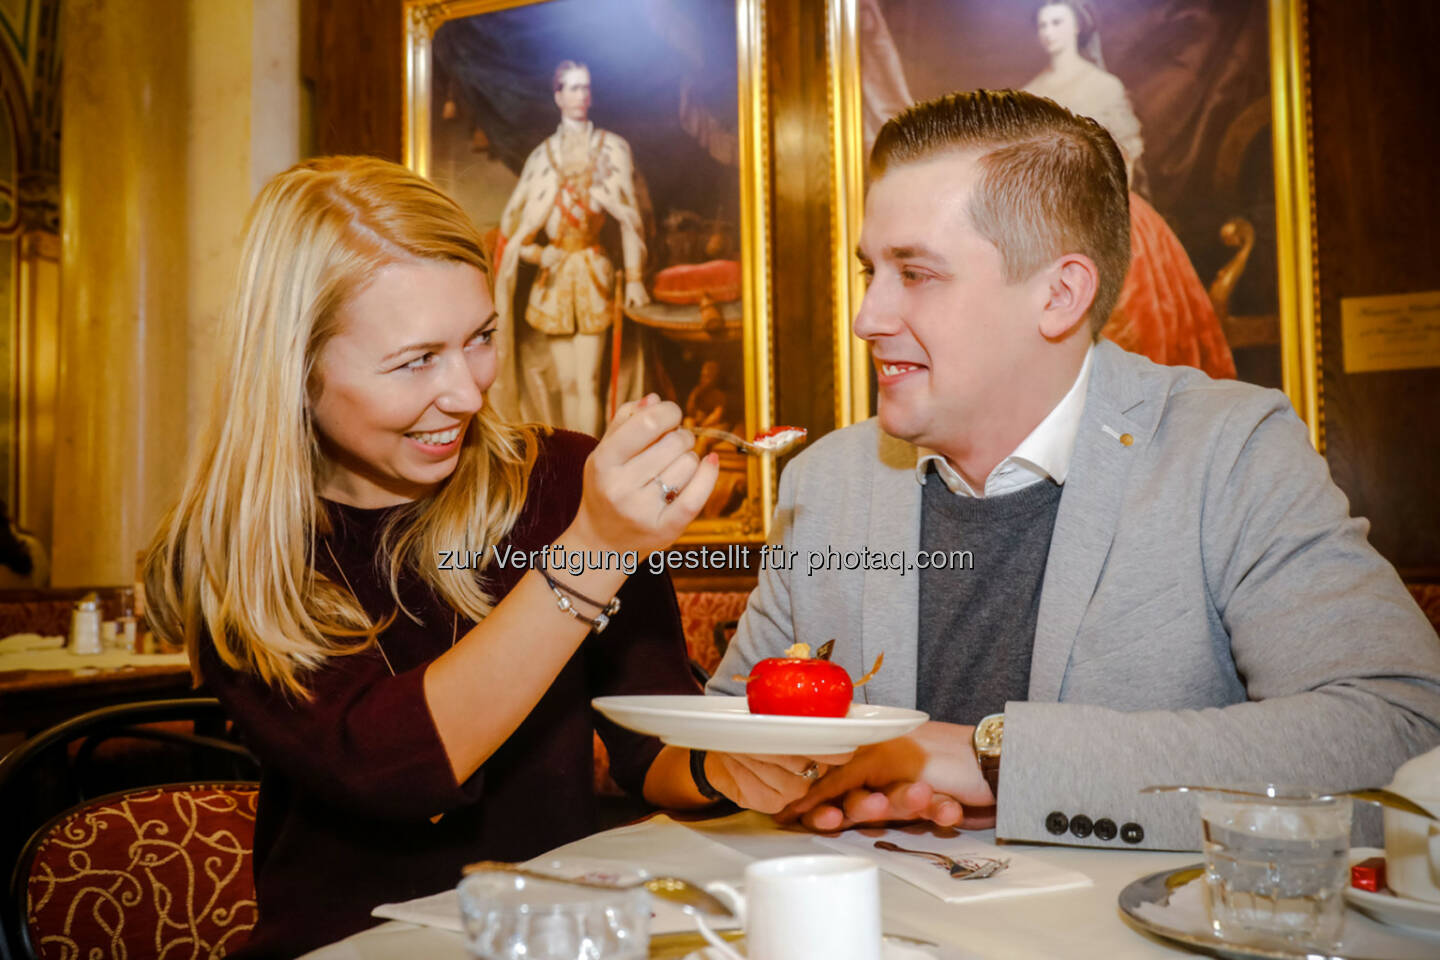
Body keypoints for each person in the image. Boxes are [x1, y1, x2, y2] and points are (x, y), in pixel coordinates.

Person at [705, 90, 1440, 850]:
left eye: (915, 273)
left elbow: (1404, 731)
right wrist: (737, 768)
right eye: (871, 271)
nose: (868, 315)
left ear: (1060, 295)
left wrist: (993, 755)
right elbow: (712, 738)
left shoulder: (1228, 451)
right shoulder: (824, 482)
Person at [143, 157, 724, 957]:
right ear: (296, 370)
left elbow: (652, 742)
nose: (467, 392)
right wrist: (590, 556)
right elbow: (393, 772)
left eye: (481, 339)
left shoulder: (561, 480)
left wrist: (746, 768)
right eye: (417, 360)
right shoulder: (234, 555)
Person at [1022, 0, 1236, 379]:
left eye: (1056, 21)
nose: (1048, 31)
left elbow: (1127, 155)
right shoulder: (1031, 93)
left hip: (1107, 210)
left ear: (1076, 28)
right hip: (1047, 221)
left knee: (1133, 318)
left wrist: (1101, 203)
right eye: (1042, 24)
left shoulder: (1103, 87)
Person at [493, 60, 650, 436]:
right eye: (573, 88)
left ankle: (590, 462)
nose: (581, 95)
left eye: (586, 88)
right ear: (558, 95)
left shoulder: (611, 148)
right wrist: (537, 254)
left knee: (589, 380)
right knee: (566, 384)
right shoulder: (542, 158)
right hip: (555, 277)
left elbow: (630, 218)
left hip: (593, 272)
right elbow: (516, 234)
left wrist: (634, 279)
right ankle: (571, 469)